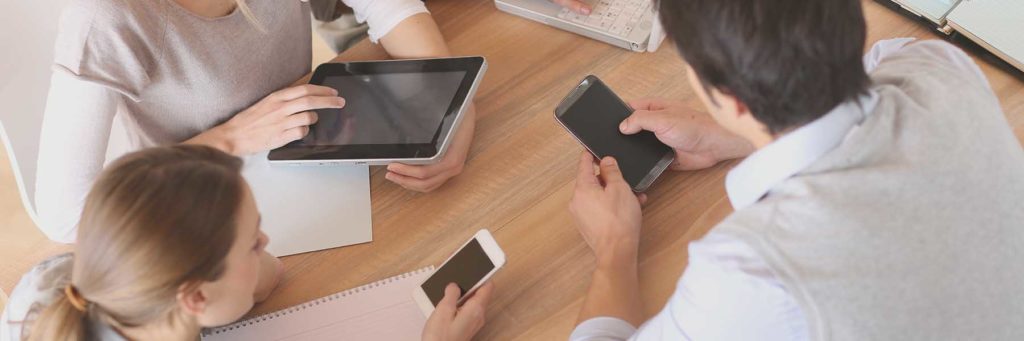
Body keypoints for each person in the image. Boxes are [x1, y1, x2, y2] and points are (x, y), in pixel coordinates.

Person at [567, 0, 1024, 340]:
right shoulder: (939, 68)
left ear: (732, 97)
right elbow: (871, 71)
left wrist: (615, 245)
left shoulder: (754, 271)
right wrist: (736, 136)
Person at [35, 0, 474, 244]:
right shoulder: (104, 17)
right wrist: (229, 138)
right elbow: (67, 216)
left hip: (312, 170)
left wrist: (455, 107)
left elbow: (390, 8)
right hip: (201, 209)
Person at [1, 145, 493, 341]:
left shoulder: (100, 278)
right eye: (251, 242)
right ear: (193, 298)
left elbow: (267, 276)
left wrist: (245, 267)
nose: (266, 239)